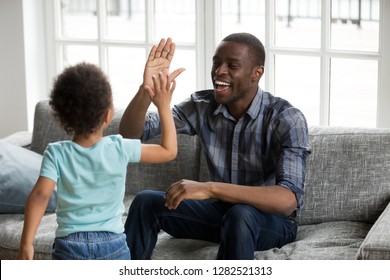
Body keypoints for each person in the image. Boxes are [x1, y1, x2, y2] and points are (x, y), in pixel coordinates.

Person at [119, 33, 311, 260]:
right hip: (221, 215)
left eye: (232, 65)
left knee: (241, 214)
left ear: (256, 73)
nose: (219, 71)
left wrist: (209, 188)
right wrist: (146, 90)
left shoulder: (286, 118)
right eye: (216, 63)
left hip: (271, 223)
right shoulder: (201, 106)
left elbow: (288, 200)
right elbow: (130, 134)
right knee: (145, 202)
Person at [17, 62, 178, 260]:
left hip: (69, 245)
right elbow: (168, 151)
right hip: (113, 245)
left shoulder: (56, 153)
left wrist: (26, 244)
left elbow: (40, 196)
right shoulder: (119, 147)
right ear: (108, 115)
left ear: (61, 117)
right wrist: (163, 106)